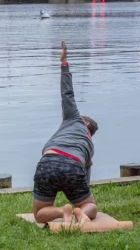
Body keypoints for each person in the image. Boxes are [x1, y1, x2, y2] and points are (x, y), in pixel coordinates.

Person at [32, 41, 99, 225]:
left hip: (48, 161)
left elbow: (67, 93)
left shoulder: (74, 119)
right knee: (91, 207)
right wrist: (84, 196)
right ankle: (81, 212)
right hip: (74, 165)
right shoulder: (89, 146)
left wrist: (64, 62)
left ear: (85, 122)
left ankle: (63, 211)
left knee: (39, 214)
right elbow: (86, 173)